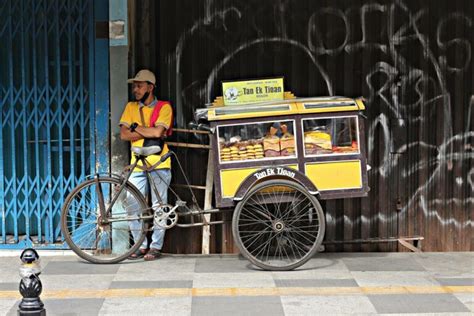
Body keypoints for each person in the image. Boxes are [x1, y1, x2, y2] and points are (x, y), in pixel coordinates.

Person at [119, 69, 173, 261]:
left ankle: (155, 246)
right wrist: (147, 131)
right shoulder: (130, 107)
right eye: (135, 85)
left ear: (150, 87)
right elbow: (124, 135)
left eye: (140, 85)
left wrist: (136, 128)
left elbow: (158, 133)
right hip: (137, 164)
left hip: (159, 161)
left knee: (159, 206)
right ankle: (139, 245)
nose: (136, 89)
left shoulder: (164, 107)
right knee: (132, 204)